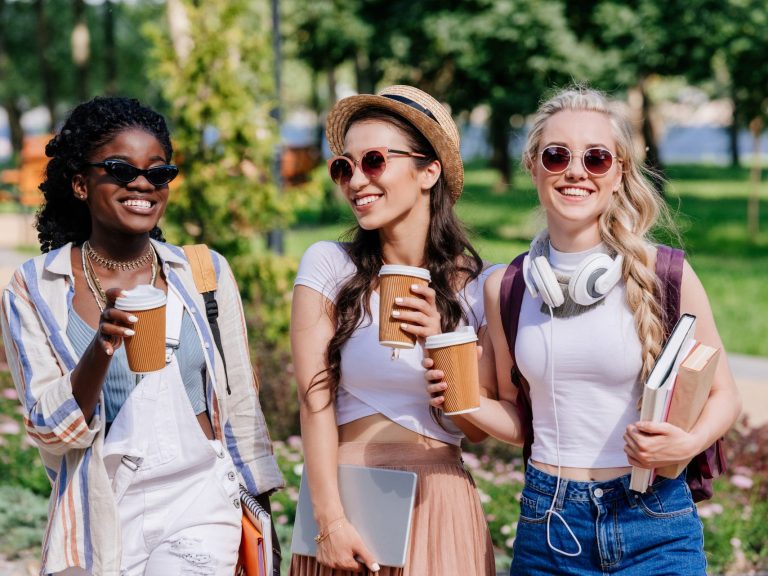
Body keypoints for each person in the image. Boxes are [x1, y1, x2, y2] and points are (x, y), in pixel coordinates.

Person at [425, 86, 742, 574]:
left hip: (656, 524)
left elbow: (725, 395)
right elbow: (519, 420)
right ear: (533, 167)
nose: (575, 171)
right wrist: (462, 400)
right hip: (550, 524)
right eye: (557, 156)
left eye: (596, 158)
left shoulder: (665, 273)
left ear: (619, 174)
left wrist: (687, 443)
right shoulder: (506, 287)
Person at [0, 97, 284, 576]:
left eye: (158, 172)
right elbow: (49, 428)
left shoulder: (204, 272)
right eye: (120, 169)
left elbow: (240, 403)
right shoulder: (34, 288)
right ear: (80, 183)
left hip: (199, 499)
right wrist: (101, 347)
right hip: (99, 513)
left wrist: (263, 526)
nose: (142, 184)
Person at [290, 85, 499, 575]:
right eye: (344, 167)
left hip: (440, 503)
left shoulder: (480, 287)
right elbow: (313, 402)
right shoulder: (329, 265)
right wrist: (329, 521)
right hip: (349, 503)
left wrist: (439, 341)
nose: (356, 180)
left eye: (374, 161)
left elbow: (477, 430)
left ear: (429, 171)